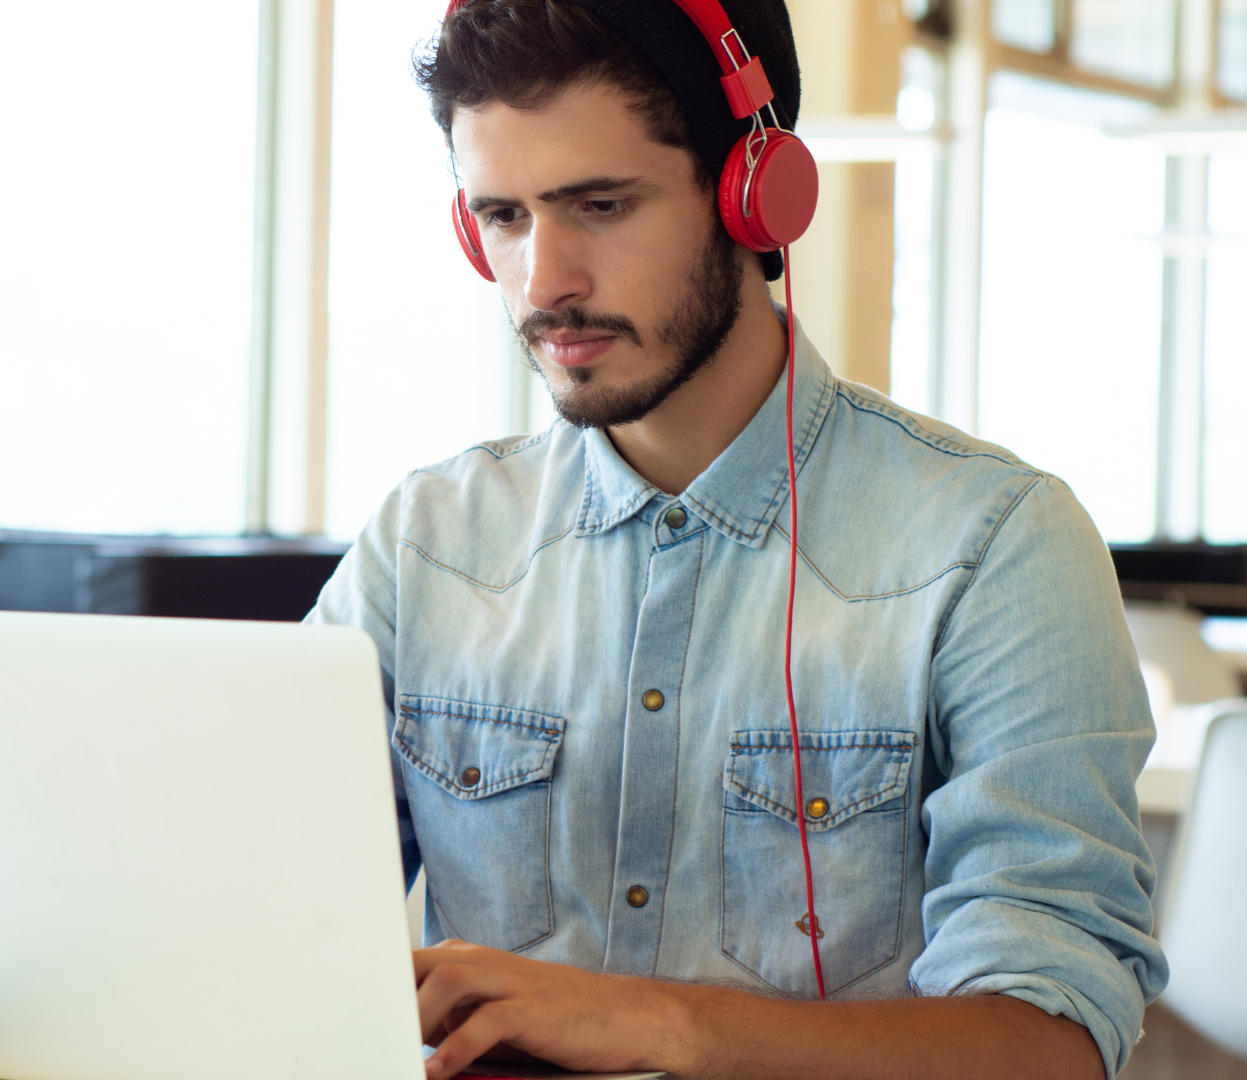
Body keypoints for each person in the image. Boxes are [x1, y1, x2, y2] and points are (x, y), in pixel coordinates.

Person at [306, 2, 1166, 1078]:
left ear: (755, 197)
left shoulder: (994, 546)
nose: (543, 281)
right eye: (506, 216)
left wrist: (659, 1024)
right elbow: (257, 911)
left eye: (602, 205)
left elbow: (1054, 1044)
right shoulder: (425, 546)